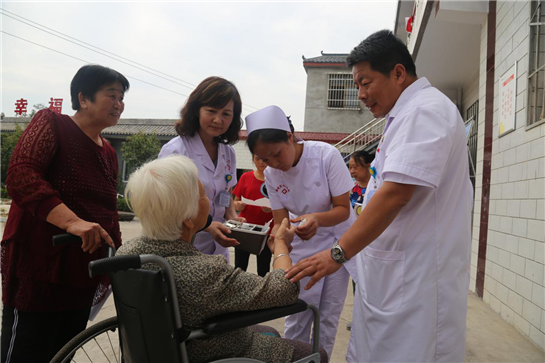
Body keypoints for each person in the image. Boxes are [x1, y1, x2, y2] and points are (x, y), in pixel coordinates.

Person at [285, 29, 473, 362]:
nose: (360, 94)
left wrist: (337, 253)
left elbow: (394, 195)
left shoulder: (424, 112)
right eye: (356, 86)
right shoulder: (403, 115)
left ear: (398, 73)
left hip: (415, 285)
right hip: (394, 279)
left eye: (365, 82)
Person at [116, 155, 328, 363]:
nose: (208, 200)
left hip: (158, 349)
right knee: (316, 352)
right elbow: (284, 290)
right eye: (203, 196)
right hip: (216, 350)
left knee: (268, 330)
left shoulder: (127, 253)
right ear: (188, 219)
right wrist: (281, 245)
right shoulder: (202, 272)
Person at [0, 64, 128, 363]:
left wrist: (120, 257)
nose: (119, 103)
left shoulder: (108, 151)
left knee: (63, 352)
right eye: (112, 95)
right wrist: (73, 222)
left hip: (84, 272)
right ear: (84, 98)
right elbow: (22, 176)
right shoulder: (53, 122)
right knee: (26, 351)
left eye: (122, 97)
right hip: (40, 265)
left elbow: (108, 210)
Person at [245, 105, 356, 359]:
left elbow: (342, 209)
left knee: (328, 317)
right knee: (297, 315)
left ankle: (320, 359)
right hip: (301, 250)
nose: (274, 164)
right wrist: (283, 238)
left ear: (289, 136)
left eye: (276, 154)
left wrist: (316, 219)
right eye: (265, 160)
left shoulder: (326, 156)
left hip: (336, 244)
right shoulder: (272, 175)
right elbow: (280, 222)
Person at [158, 77, 245, 263]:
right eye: (211, 111)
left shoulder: (228, 152)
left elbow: (226, 193)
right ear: (196, 110)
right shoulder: (176, 150)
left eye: (226, 114)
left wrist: (232, 217)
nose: (217, 120)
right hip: (183, 246)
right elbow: (167, 204)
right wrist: (207, 226)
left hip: (219, 247)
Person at [232, 154, 273, 276]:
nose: (261, 162)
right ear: (253, 160)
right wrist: (237, 205)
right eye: (257, 159)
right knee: (240, 266)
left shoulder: (276, 179)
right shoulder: (245, 177)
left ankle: (261, 293)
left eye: (264, 159)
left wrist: (271, 210)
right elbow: (234, 201)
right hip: (245, 228)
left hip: (267, 230)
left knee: (264, 267)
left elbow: (284, 206)